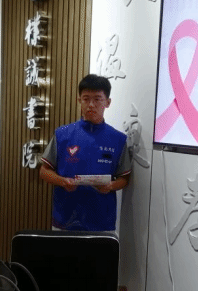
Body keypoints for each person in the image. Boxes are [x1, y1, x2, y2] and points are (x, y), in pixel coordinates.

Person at [39, 74, 132, 233]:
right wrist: (62, 181)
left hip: (102, 221)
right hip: (65, 220)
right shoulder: (63, 134)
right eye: (86, 99)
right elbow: (44, 171)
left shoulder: (118, 139)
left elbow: (124, 178)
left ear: (107, 102)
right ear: (79, 100)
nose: (91, 105)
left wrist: (111, 186)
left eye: (97, 99)